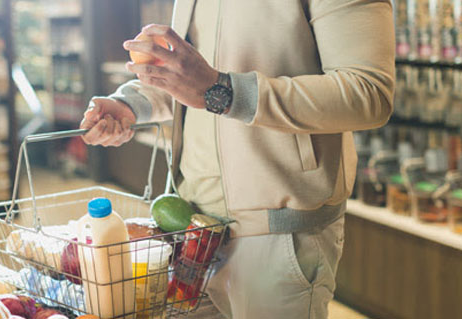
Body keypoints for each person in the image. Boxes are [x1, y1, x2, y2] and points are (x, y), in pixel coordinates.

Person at [81, 0, 394, 318]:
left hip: (277, 236)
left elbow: (368, 92)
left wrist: (222, 90)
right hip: (193, 228)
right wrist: (132, 103)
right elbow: (196, 76)